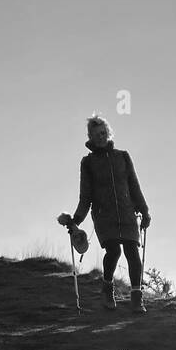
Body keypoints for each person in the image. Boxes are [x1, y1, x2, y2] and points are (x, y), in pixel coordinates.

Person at [59, 113, 151, 313]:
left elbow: (134, 186)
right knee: (114, 251)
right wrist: (76, 220)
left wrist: (144, 211)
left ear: (108, 133)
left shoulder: (123, 157)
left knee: (132, 253)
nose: (100, 137)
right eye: (95, 134)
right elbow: (86, 196)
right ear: (90, 138)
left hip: (127, 213)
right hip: (104, 215)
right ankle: (107, 288)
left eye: (103, 132)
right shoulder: (88, 163)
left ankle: (136, 297)